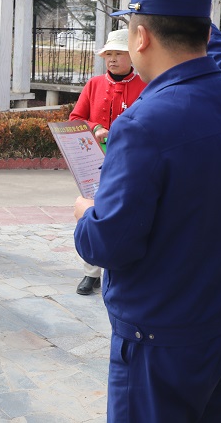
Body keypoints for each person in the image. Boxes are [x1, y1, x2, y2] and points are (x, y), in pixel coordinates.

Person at [74, 0, 221, 421]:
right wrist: (189, 10)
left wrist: (87, 213)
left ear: (140, 37)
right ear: (202, 29)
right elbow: (216, 51)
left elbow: (110, 244)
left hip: (160, 338)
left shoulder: (143, 124)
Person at [68, 28, 147, 295]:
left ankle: (124, 267)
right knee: (91, 210)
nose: (112, 59)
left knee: (127, 213)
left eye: (118, 54)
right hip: (94, 161)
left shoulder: (145, 85)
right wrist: (96, 127)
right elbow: (75, 119)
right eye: (108, 54)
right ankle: (91, 272)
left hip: (131, 162)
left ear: (132, 56)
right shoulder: (94, 84)